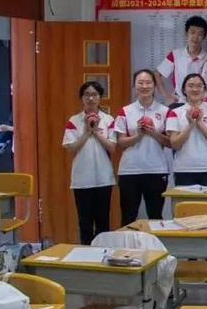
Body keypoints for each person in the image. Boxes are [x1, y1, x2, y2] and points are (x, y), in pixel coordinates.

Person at [114, 70, 171, 226]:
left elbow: (170, 143)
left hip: (156, 169)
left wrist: (153, 133)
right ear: (134, 86)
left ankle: (155, 242)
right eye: (140, 83)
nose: (144, 86)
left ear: (154, 86)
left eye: (148, 83)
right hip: (130, 170)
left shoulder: (165, 111)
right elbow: (120, 142)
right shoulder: (125, 111)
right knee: (128, 216)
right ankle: (127, 243)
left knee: (155, 215)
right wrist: (138, 135)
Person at [62, 81, 116, 245]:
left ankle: (103, 254)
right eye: (87, 95)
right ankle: (85, 254)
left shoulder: (108, 119)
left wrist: (96, 132)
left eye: (94, 95)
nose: (91, 98)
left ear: (100, 98)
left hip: (103, 179)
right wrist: (86, 132)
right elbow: (70, 148)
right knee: (84, 223)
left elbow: (112, 147)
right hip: (82, 180)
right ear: (82, 98)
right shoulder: (74, 120)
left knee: (103, 224)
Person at [166, 74, 207, 186]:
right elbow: (174, 144)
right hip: (183, 169)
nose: (195, 89)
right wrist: (190, 125)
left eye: (199, 86)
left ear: (204, 89)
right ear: (184, 90)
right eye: (191, 86)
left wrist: (199, 123)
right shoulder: (175, 113)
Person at [156, 15, 207, 104]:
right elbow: (156, 74)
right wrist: (166, 96)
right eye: (192, 32)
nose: (195, 37)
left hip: (202, 104)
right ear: (186, 34)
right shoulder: (175, 54)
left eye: (200, 34)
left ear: (204, 37)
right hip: (179, 103)